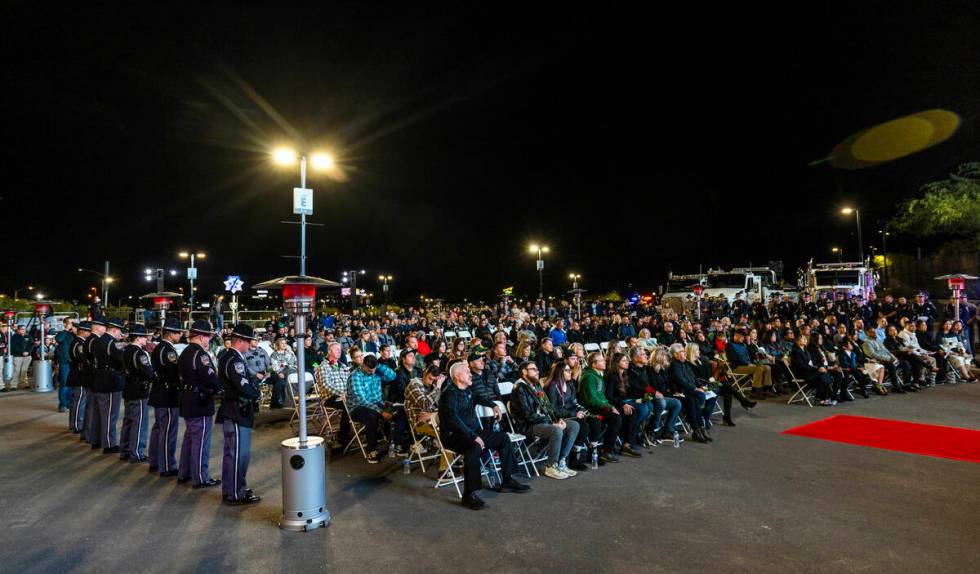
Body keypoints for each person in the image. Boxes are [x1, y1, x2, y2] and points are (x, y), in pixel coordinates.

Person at [438, 361, 531, 510]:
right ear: (457, 375)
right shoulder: (449, 394)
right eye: (466, 371)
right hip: (453, 436)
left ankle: (507, 480)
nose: (470, 374)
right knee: (474, 447)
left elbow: (479, 398)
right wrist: (472, 436)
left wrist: (493, 405)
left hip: (473, 432)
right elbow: (452, 419)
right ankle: (469, 494)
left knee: (503, 438)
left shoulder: (468, 390)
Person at [217, 324, 262, 505]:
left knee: (233, 454)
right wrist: (256, 393)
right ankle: (236, 493)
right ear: (241, 341)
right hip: (236, 410)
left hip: (234, 409)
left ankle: (232, 488)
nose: (250, 345)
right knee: (238, 455)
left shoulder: (232, 356)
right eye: (249, 341)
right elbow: (242, 386)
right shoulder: (234, 359)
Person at [511, 361, 579, 479]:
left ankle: (560, 462)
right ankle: (551, 466)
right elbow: (528, 415)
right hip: (529, 425)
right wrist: (552, 423)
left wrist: (558, 420)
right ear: (524, 372)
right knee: (556, 430)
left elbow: (548, 407)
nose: (537, 372)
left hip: (543, 422)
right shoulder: (520, 388)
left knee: (574, 425)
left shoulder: (535, 385)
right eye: (533, 369)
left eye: (537, 369)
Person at [177, 320, 222, 489]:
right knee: (200, 441)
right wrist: (219, 388)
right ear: (202, 337)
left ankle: (185, 473)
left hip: (188, 398)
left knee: (190, 439)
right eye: (208, 337)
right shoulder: (200, 354)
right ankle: (200, 477)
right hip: (199, 401)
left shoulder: (186, 352)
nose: (209, 340)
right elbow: (210, 377)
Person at [544, 360, 593, 472]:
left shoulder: (569, 384)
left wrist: (581, 409)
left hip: (570, 414)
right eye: (566, 370)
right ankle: (570, 458)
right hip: (558, 417)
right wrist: (574, 414)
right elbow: (553, 409)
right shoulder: (553, 386)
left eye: (569, 370)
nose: (570, 372)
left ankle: (576, 455)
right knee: (583, 426)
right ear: (559, 372)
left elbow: (573, 402)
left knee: (591, 420)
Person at [346, 354, 396, 463]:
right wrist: (381, 411)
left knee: (396, 409)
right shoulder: (355, 376)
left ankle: (394, 441)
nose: (372, 372)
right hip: (357, 407)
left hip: (377, 403)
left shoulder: (376, 370)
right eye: (369, 370)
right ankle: (371, 449)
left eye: (373, 370)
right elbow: (362, 400)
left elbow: (393, 376)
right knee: (371, 415)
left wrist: (379, 366)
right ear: (363, 365)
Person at [149, 318, 182, 477]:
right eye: (178, 332)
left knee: (159, 430)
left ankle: (155, 461)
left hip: (159, 392)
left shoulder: (158, 348)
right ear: (171, 334)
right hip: (168, 394)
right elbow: (174, 373)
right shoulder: (168, 350)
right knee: (168, 432)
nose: (181, 334)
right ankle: (167, 465)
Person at [577, 352, 622, 464]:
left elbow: (602, 397)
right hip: (590, 408)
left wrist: (610, 407)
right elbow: (592, 400)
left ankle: (610, 447)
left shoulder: (597, 375)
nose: (604, 362)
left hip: (599, 406)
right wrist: (610, 407)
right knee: (615, 418)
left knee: (620, 414)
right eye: (601, 360)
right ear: (593, 364)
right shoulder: (589, 377)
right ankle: (606, 450)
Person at [91, 318, 127, 454]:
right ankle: (109, 443)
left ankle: (96, 440)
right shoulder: (112, 343)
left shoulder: (98, 340)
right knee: (110, 414)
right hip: (110, 380)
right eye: (120, 331)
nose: (121, 335)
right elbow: (120, 360)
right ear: (114, 329)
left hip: (99, 377)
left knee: (98, 413)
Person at [121, 324, 155, 463]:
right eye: (144, 337)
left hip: (128, 387)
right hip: (139, 389)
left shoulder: (126, 350)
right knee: (139, 422)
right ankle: (136, 452)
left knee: (128, 421)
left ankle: (125, 449)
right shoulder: (139, 353)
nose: (146, 340)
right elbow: (148, 372)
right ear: (139, 337)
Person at [668, 344, 711, 443]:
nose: (685, 353)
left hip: (688, 391)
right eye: (682, 351)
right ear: (675, 354)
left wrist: (700, 386)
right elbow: (681, 381)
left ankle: (700, 429)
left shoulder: (685, 363)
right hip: (679, 392)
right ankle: (696, 430)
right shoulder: (674, 364)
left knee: (694, 400)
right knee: (692, 400)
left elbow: (693, 377)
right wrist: (695, 388)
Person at [726, 329, 776, 398]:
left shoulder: (743, 345)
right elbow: (733, 360)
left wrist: (756, 362)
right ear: (736, 335)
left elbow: (750, 356)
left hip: (748, 365)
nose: (743, 338)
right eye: (741, 336)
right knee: (759, 369)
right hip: (737, 367)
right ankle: (754, 392)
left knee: (767, 367)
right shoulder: (729, 345)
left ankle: (766, 390)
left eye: (743, 336)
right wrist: (747, 364)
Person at [790, 334, 835, 406]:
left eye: (805, 339)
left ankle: (822, 398)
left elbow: (811, 363)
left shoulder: (806, 350)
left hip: (809, 371)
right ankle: (823, 398)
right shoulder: (795, 351)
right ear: (797, 341)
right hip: (801, 373)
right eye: (803, 338)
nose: (805, 340)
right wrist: (817, 369)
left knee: (824, 374)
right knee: (822, 376)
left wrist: (819, 367)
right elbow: (801, 366)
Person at [82, 318, 106, 445]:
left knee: (90, 406)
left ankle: (87, 433)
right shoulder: (94, 340)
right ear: (97, 328)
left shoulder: (90, 339)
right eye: (103, 327)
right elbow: (94, 360)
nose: (105, 329)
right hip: (92, 376)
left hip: (90, 375)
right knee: (92, 407)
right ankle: (89, 434)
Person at [67, 321, 92, 436]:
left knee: (77, 400)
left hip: (77, 374)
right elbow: (83, 359)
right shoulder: (79, 343)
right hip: (79, 374)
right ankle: (77, 424)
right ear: (82, 331)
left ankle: (74, 423)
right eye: (88, 331)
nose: (89, 333)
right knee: (79, 401)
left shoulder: (78, 342)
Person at [268, 336, 296, 409]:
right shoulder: (274, 354)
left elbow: (296, 363)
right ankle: (286, 401)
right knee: (282, 380)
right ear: (278, 345)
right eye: (282, 343)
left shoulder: (290, 353)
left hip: (292, 372)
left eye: (285, 343)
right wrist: (278, 373)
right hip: (280, 372)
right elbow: (274, 367)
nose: (284, 345)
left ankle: (292, 399)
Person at [55, 317, 75, 412]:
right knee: (64, 383)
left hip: (74, 362)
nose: (73, 324)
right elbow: (58, 339)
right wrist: (66, 329)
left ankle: (70, 403)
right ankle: (63, 404)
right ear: (65, 324)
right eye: (71, 323)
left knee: (72, 384)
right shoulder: (62, 333)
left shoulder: (74, 334)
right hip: (65, 362)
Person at [10, 325, 33, 390]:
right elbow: (14, 347)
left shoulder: (28, 336)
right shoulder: (14, 337)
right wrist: (22, 352)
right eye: (22, 329)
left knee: (24, 370)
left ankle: (24, 384)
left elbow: (31, 345)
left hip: (27, 356)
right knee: (17, 370)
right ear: (18, 330)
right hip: (17, 356)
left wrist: (28, 352)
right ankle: (14, 385)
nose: (23, 330)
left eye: (24, 329)